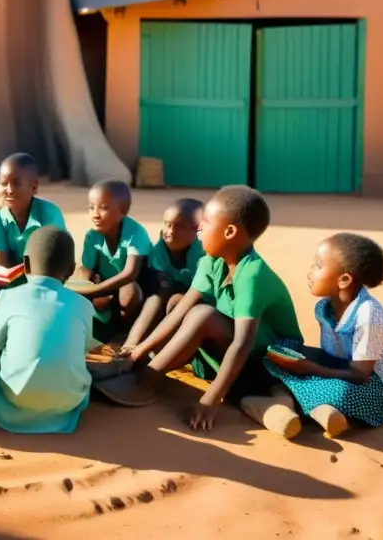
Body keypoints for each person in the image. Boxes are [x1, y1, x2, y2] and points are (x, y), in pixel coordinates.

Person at [99, 186, 303, 435]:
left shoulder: (252, 275)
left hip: (268, 364)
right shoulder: (211, 261)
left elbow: (242, 343)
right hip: (230, 354)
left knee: (202, 315)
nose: (199, 229)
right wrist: (139, 350)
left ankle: (145, 383)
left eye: (205, 223)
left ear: (229, 232)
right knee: (178, 303)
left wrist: (210, 400)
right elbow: (178, 312)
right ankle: (145, 369)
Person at [265, 233, 383, 439]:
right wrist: (296, 359)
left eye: (318, 266)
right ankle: (313, 407)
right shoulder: (323, 308)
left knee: (341, 394)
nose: (310, 272)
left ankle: (292, 401)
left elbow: (360, 374)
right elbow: (333, 357)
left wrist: (310, 368)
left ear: (344, 280)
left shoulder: (368, 315)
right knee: (278, 353)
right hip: (343, 368)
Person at [0, 226, 95, 434]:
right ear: (71, 270)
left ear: (24, 264)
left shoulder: (9, 296)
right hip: (69, 404)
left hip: (15, 400)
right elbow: (84, 350)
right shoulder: (83, 305)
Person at [0, 153, 67, 312]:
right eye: (3, 184)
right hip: (15, 276)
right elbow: (3, 263)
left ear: (34, 187)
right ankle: (0, 296)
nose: (9, 190)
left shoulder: (49, 214)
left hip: (47, 275)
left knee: (52, 293)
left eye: (16, 183)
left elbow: (54, 260)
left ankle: (6, 299)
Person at [65, 180, 153, 345]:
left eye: (104, 208)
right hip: (104, 293)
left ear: (122, 211)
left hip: (137, 297)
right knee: (71, 286)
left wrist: (94, 292)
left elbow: (130, 274)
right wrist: (87, 289)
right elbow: (85, 270)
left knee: (129, 291)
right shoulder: (92, 236)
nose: (95, 214)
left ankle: (127, 333)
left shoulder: (135, 233)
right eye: (91, 207)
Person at [127, 197, 207, 346]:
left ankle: (170, 348)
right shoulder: (159, 251)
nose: (170, 231)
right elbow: (160, 289)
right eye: (167, 224)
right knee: (155, 297)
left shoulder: (205, 254)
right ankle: (131, 344)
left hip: (200, 305)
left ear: (197, 230)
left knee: (176, 301)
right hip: (166, 299)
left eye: (179, 227)